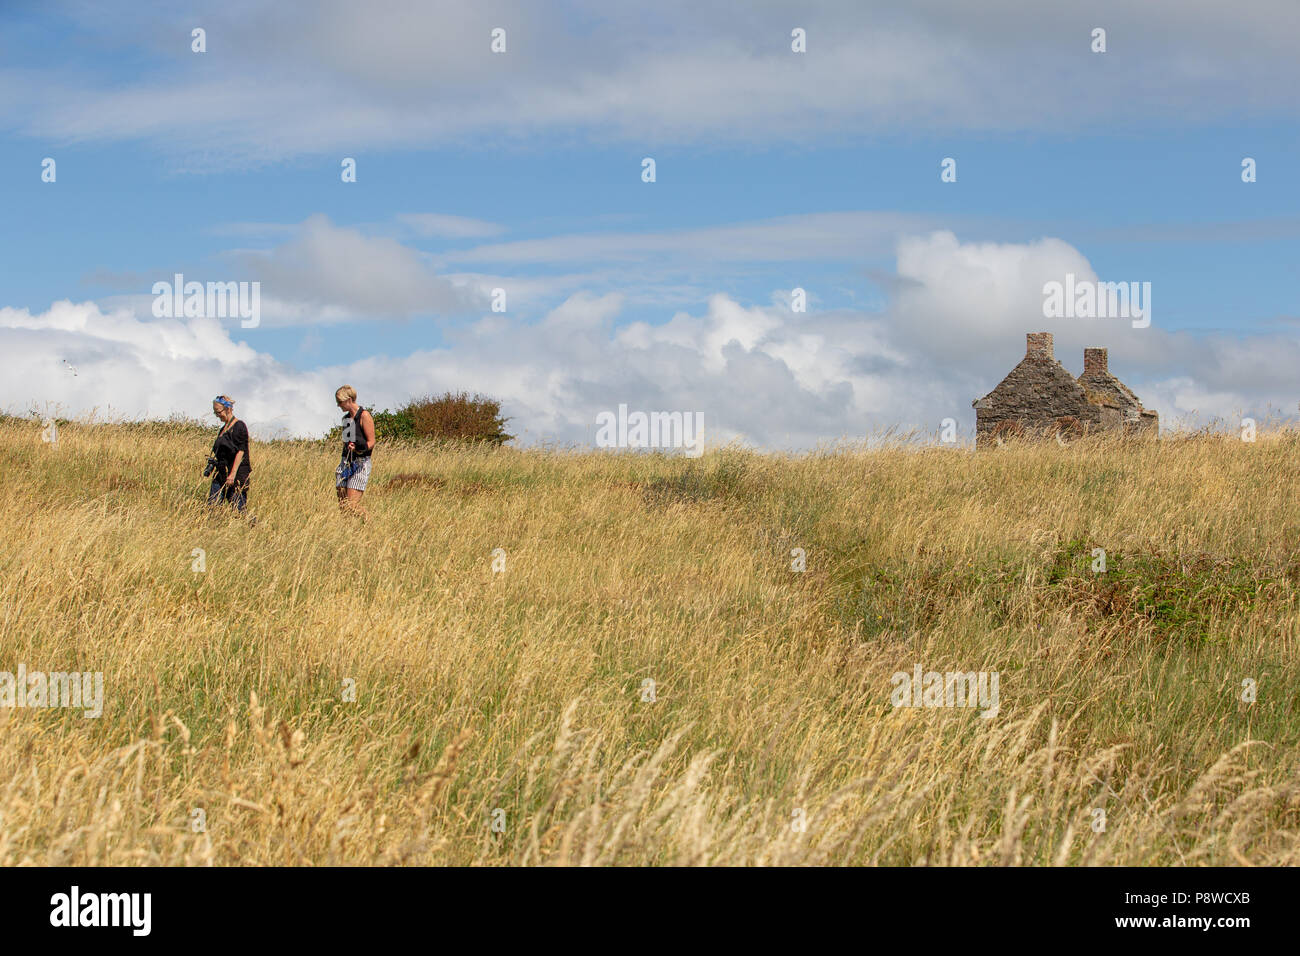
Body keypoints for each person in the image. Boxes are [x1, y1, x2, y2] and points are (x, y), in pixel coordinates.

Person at [334, 385, 375, 515]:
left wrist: (359, 449)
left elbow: (371, 442)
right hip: (346, 462)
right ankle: (349, 532)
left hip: (361, 463)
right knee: (343, 507)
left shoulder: (364, 416)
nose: (338, 405)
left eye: (340, 402)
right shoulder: (346, 419)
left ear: (349, 400)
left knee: (351, 505)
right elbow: (347, 442)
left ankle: (369, 522)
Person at [209, 395, 251, 513]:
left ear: (228, 409)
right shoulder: (222, 429)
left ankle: (253, 527)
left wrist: (232, 475)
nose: (217, 415)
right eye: (215, 412)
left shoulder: (239, 426)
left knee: (239, 509)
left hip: (236, 474)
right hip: (221, 472)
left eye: (218, 412)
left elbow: (241, 451)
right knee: (213, 506)